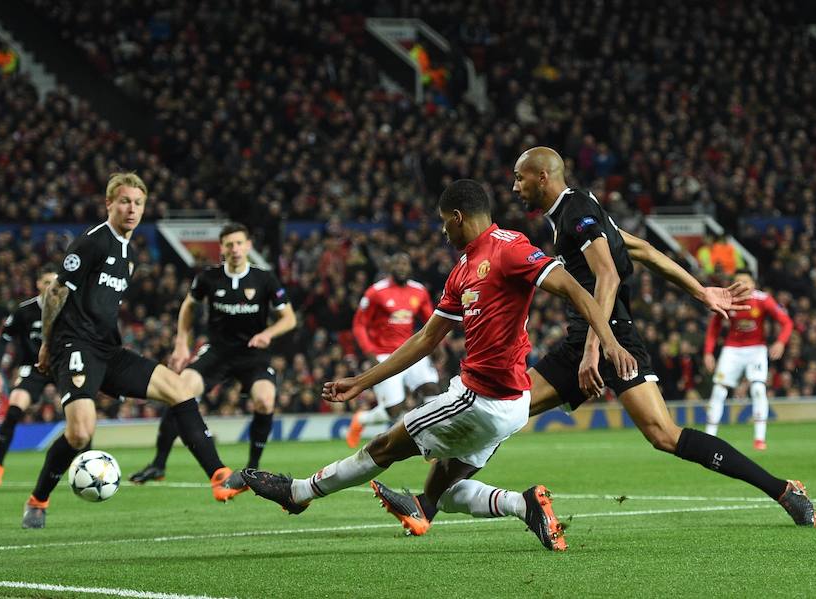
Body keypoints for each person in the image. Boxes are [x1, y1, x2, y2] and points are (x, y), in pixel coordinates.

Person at [374, 147, 815, 535]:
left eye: (519, 177)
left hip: (610, 338)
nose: (513, 187)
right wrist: (699, 291)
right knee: (506, 407)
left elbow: (607, 273)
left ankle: (782, 489)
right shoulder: (579, 213)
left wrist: (592, 350)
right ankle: (426, 505)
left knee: (663, 434)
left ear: (542, 177)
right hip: (586, 341)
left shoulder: (574, 211)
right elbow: (637, 249)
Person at [224, 179, 638, 551]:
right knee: (443, 490)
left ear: (458, 217)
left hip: (482, 399)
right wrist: (362, 381)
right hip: (509, 403)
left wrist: (608, 340)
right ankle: (523, 504)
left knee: (384, 446)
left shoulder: (509, 248)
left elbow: (576, 290)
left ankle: (299, 493)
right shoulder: (461, 271)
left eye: (445, 222)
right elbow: (425, 338)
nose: (443, 231)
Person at [23, 172, 245, 529]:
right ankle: (38, 500)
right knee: (80, 434)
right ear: (109, 204)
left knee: (179, 388)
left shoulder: (129, 254)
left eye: (138, 203)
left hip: (108, 350)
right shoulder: (92, 242)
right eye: (124, 201)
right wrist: (49, 344)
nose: (132, 209)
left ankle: (219, 476)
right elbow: (56, 293)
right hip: (75, 346)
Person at [128, 223, 296, 483]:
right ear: (222, 249)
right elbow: (188, 307)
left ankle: (252, 469)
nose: (235, 249)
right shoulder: (208, 277)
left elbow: (289, 318)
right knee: (179, 390)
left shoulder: (264, 279)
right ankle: (158, 464)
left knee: (265, 400)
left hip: (252, 355)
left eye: (240, 243)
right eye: (229, 244)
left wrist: (268, 334)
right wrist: (181, 343)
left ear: (248, 246)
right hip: (218, 351)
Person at [346, 252, 439, 448]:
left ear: (410, 267)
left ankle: (433, 441)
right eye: (397, 263)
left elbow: (432, 321)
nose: (402, 267)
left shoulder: (419, 291)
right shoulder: (376, 292)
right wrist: (370, 353)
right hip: (384, 354)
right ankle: (361, 420)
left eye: (405, 264)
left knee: (431, 388)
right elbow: (359, 325)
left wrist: (439, 344)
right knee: (393, 411)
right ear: (390, 267)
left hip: (412, 350)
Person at [0, 265, 58, 486]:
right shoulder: (23, 311)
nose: (51, 287)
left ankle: (87, 461)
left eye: (55, 283)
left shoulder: (68, 309)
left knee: (81, 409)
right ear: (38, 284)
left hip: (61, 366)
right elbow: (3, 340)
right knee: (14, 408)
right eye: (46, 283)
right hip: (32, 368)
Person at [704, 270, 793, 449]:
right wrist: (708, 352)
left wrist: (781, 343)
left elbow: (787, 322)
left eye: (745, 281)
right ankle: (708, 438)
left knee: (759, 389)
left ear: (753, 284)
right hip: (732, 349)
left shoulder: (763, 299)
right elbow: (714, 327)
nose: (742, 285)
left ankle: (759, 438)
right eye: (738, 281)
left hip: (756, 349)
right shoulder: (727, 299)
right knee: (719, 391)